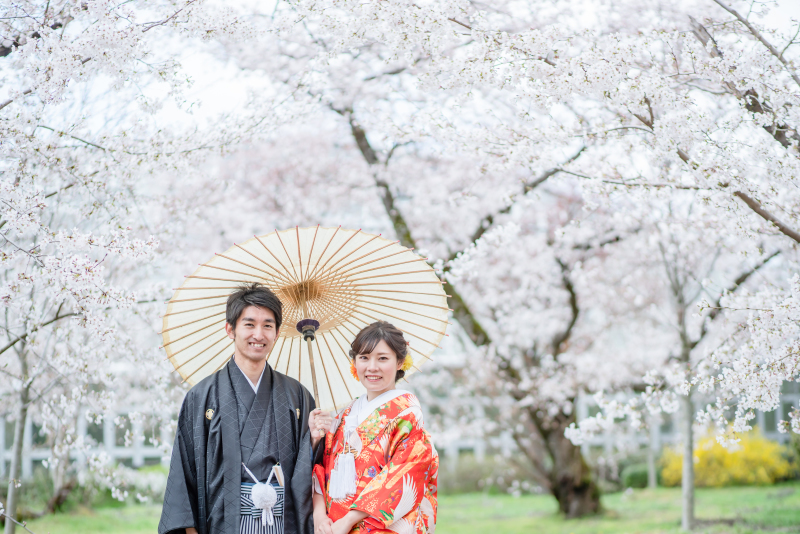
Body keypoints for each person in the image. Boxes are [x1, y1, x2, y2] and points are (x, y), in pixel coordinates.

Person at [159, 283, 317, 534]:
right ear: (230, 329)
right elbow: (184, 470)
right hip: (223, 522)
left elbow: (314, 471)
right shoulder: (202, 397)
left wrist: (317, 440)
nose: (259, 334)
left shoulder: (297, 395)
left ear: (276, 332)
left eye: (268, 325)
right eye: (249, 324)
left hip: (283, 523)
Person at [308, 321, 438, 534]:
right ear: (355, 363)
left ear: (400, 362)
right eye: (364, 358)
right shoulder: (343, 416)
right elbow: (322, 469)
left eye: (383, 358)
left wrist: (349, 520)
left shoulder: (408, 414)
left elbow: (402, 475)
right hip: (334, 526)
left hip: (378, 526)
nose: (372, 367)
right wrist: (319, 515)